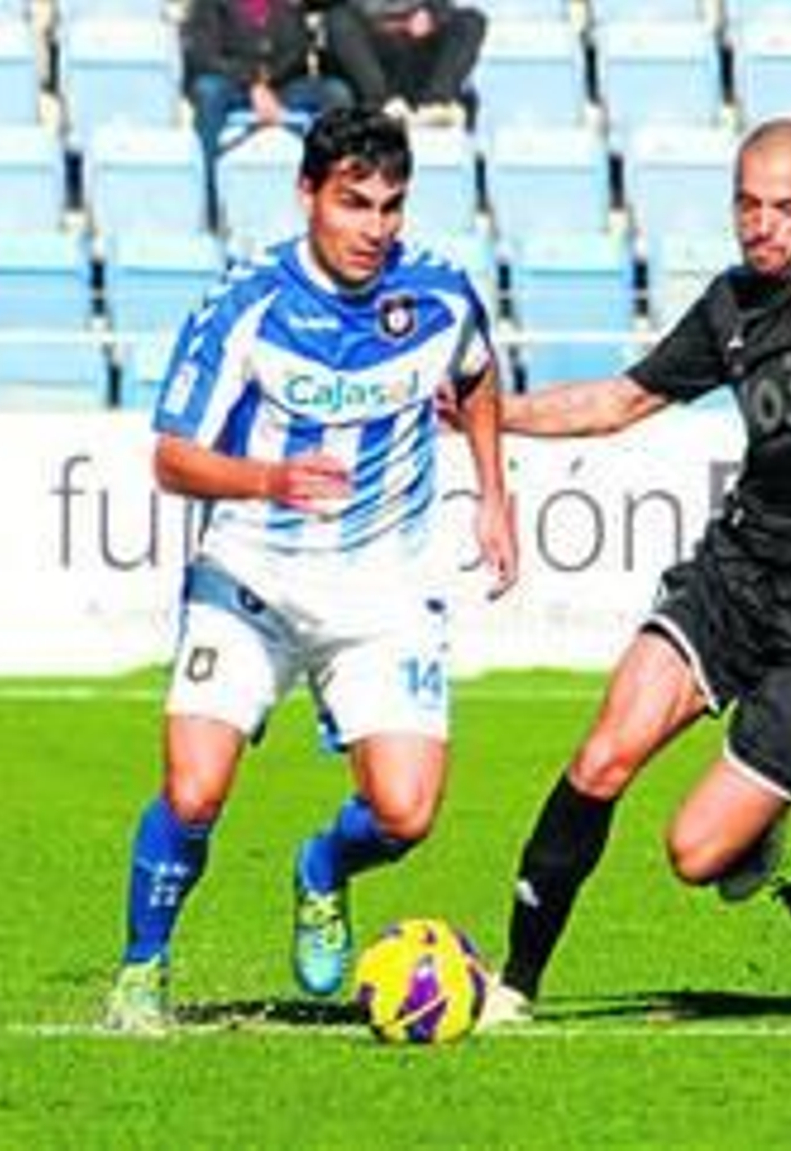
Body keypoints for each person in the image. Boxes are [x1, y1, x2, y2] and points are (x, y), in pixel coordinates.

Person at [472, 118, 791, 1028]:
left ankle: (755, 827)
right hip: (738, 570)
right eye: (747, 205)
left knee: (695, 853)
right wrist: (484, 414)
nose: (763, 225)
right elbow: (616, 403)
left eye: (785, 207)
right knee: (602, 755)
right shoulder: (728, 305)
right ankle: (515, 987)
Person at [101, 107, 518, 1035]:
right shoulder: (244, 306)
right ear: (307, 194)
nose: (375, 227)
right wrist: (268, 478)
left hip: (385, 591)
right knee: (195, 790)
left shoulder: (440, 294)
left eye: (391, 207)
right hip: (250, 579)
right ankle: (141, 969)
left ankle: (323, 868)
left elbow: (481, 375)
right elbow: (172, 458)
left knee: (405, 815)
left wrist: (495, 494)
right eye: (353, 203)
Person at [180, 0, 354, 220]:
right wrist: (252, 83)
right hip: (231, 84)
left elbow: (298, 51)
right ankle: (209, 205)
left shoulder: (288, 5)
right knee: (207, 91)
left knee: (335, 93)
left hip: (280, 84)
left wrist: (269, 80)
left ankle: (338, 196)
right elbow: (203, 56)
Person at [323, 0, 487, 121]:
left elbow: (445, 8)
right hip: (372, 50)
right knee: (339, 20)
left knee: (471, 20)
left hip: (418, 46)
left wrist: (432, 15)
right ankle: (383, 105)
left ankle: (435, 104)